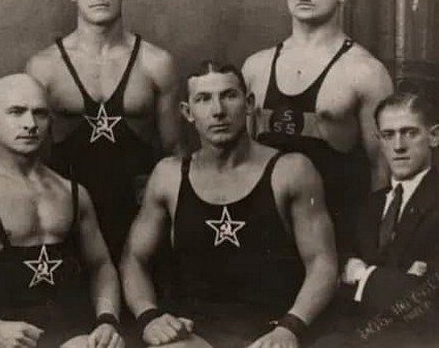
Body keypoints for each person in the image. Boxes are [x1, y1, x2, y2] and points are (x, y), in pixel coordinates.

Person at [121, 62, 337, 347]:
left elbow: (322, 262)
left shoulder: (291, 170)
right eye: (203, 99)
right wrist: (149, 316)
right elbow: (133, 258)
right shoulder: (168, 175)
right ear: (187, 112)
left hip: (271, 331)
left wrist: (291, 327)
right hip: (195, 331)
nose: (218, 110)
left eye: (229, 95)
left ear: (249, 103)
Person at [0, 74, 125, 348]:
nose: (30, 124)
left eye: (39, 113)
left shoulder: (72, 192)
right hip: (5, 337)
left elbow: (101, 264)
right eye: (16, 112)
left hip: (68, 332)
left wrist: (107, 320)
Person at [26, 0, 180, 264]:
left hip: (138, 218)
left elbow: (175, 154)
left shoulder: (156, 64)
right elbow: (28, 160)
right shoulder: (44, 67)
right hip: (66, 221)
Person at [242, 0, 393, 253]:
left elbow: (383, 171)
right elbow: (240, 161)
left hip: (337, 239)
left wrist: (369, 252)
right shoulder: (255, 67)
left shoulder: (366, 72)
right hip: (264, 238)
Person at [338, 91, 439, 347]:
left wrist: (364, 276)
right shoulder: (370, 204)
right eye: (388, 135)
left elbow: (429, 302)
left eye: (410, 133)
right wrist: (401, 281)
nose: (398, 146)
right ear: (379, 141)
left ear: (434, 136)